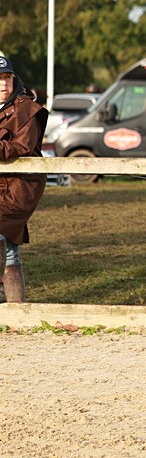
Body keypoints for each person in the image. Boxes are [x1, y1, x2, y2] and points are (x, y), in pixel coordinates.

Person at [0, 56, 50, 303]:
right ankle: (15, 309)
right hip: (1, 185)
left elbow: (23, 146)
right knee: (10, 248)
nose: (3, 84)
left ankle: (10, 306)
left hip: (20, 186)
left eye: (7, 78)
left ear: (14, 79)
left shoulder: (27, 109)